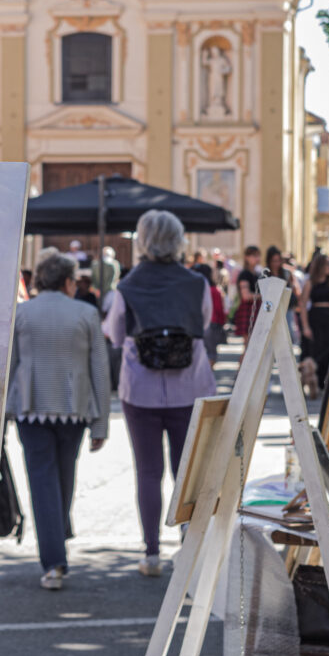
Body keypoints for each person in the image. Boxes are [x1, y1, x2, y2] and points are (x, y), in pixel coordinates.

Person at [103, 211, 216, 577]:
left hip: (141, 389)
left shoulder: (127, 286)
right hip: (191, 386)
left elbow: (116, 335)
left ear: (143, 241)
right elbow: (205, 322)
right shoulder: (196, 282)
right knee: (188, 470)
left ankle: (151, 552)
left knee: (148, 471)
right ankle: (189, 545)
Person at [6, 249, 110, 591]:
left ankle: (53, 557)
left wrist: (3, 415)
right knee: (65, 476)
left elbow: (13, 366)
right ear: (68, 281)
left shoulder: (21, 313)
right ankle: (57, 541)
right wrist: (101, 424)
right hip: (74, 407)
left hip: (30, 407)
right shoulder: (86, 313)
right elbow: (100, 369)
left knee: (42, 482)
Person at [298, 253, 329, 390]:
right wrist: (305, 326)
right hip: (316, 318)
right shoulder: (310, 282)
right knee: (315, 350)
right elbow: (303, 305)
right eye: (327, 264)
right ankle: (313, 383)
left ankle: (326, 383)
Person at [265, 246, 300, 344]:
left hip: (286, 307)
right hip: (270, 308)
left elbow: (293, 288)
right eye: (273, 261)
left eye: (278, 260)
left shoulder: (286, 273)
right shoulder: (265, 274)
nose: (276, 264)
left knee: (287, 334)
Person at [194, 263, 226, 366]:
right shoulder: (215, 290)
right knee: (211, 354)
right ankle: (207, 376)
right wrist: (222, 322)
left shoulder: (194, 290)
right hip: (212, 324)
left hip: (196, 325)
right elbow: (219, 309)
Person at [233, 245, 262, 349]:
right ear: (246, 257)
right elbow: (246, 296)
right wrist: (262, 296)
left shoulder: (258, 274)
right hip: (248, 311)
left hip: (256, 310)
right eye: (254, 255)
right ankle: (242, 366)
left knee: (254, 348)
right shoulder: (244, 274)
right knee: (248, 348)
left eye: (258, 255)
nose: (257, 258)